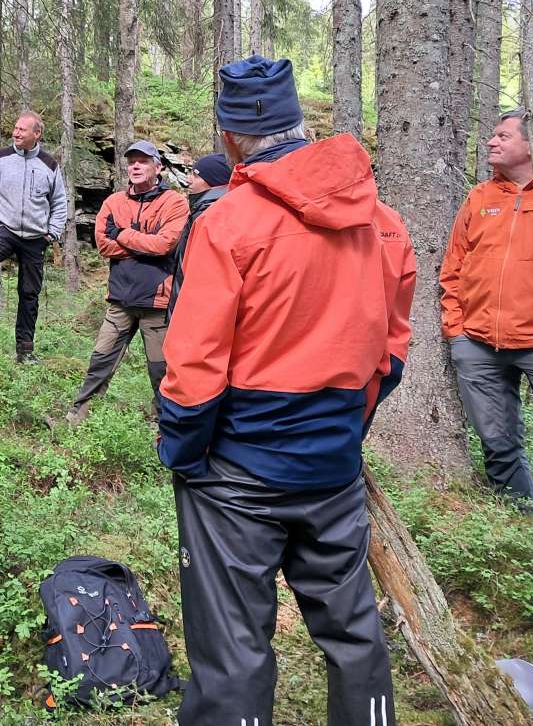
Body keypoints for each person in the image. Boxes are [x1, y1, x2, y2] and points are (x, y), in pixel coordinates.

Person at [158, 56, 416, 726]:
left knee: (234, 647)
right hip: (331, 465)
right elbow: (390, 354)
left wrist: (185, 452)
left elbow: (194, 366)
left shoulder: (226, 222)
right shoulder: (381, 223)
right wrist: (342, 431)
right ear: (300, 123)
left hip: (237, 471)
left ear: (232, 135)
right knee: (355, 632)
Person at [440, 109, 533, 507]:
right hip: (478, 344)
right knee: (497, 442)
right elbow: (453, 267)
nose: (492, 142)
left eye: (503, 136)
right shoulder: (481, 196)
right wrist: (457, 331)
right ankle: (519, 518)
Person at [62, 141, 187, 426]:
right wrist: (142, 241)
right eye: (131, 161)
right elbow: (104, 245)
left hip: (156, 302)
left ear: (158, 167)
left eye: (143, 161)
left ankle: (164, 428)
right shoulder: (113, 203)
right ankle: (76, 420)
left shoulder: (175, 202)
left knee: (161, 371)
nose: (135, 166)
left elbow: (166, 245)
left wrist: (123, 234)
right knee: (100, 362)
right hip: (120, 299)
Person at [0, 111, 69, 361]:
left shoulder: (49, 165)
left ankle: (25, 350)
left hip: (36, 237)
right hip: (5, 231)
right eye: (15, 128)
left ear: (37, 134)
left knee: (29, 292)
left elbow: (60, 203)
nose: (16, 133)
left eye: (23, 130)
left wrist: (52, 233)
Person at [167, 152, 231, 317]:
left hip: (197, 314)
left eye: (195, 175)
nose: (188, 180)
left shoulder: (211, 215)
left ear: (214, 181)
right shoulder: (202, 211)